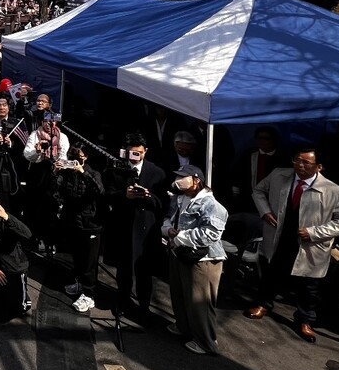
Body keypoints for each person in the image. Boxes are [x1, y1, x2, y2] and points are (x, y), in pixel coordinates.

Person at [245, 147, 339, 343]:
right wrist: (265, 211)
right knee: (272, 272)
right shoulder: (280, 174)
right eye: (297, 160)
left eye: (306, 163)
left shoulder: (334, 191)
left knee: (309, 285)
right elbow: (258, 190)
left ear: (319, 167)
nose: (299, 165)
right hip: (280, 235)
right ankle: (263, 304)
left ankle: (305, 320)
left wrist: (314, 232)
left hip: (310, 244)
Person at [161, 165, 228, 355]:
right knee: (179, 294)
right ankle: (183, 326)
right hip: (179, 254)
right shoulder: (179, 198)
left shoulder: (212, 205)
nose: (178, 180)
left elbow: (211, 234)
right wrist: (168, 230)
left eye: (183, 176)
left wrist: (180, 237)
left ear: (196, 180)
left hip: (203, 259)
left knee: (200, 302)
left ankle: (206, 342)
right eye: (178, 176)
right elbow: (168, 218)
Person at [105, 134, 167, 322]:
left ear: (145, 151)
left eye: (139, 153)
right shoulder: (116, 169)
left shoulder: (157, 173)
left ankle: (144, 306)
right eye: (132, 153)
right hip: (123, 227)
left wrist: (147, 197)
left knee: (144, 272)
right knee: (124, 270)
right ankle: (122, 301)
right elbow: (107, 195)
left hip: (146, 230)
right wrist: (125, 196)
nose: (135, 157)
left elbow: (163, 204)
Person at [55, 145, 105, 314]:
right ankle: (79, 283)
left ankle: (89, 294)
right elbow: (57, 190)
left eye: (79, 157)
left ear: (86, 158)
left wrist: (83, 172)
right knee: (76, 256)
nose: (75, 160)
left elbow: (99, 190)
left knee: (89, 262)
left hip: (90, 223)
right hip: (72, 222)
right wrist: (57, 172)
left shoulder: (93, 173)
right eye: (72, 157)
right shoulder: (67, 173)